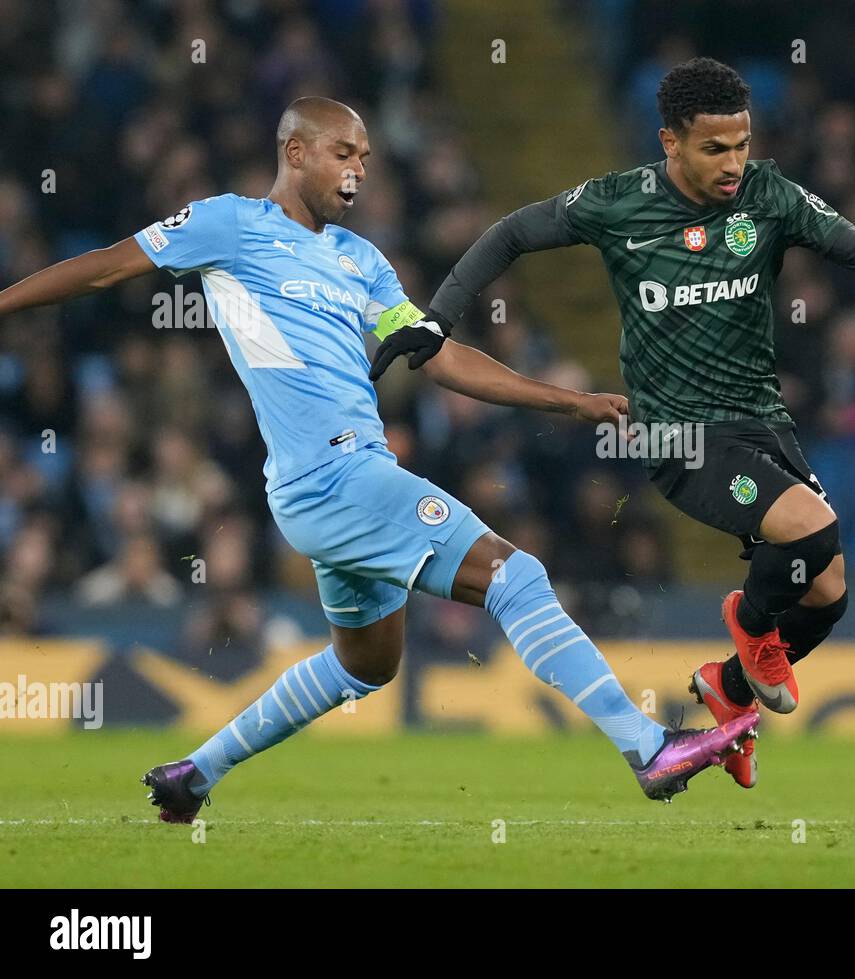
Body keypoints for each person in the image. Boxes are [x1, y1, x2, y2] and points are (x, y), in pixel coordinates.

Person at [0, 97, 757, 819]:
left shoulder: (363, 261)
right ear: (295, 154)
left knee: (365, 664)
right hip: (334, 477)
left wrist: (571, 401)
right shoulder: (229, 224)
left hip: (335, 485)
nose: (358, 170)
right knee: (514, 575)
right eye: (341, 153)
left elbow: (439, 355)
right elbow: (104, 265)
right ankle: (647, 745)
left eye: (365, 156)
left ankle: (195, 772)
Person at [380, 58, 855, 788]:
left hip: (761, 423)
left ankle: (728, 687)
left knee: (828, 592)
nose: (733, 163)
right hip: (679, 433)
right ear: (670, 142)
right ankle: (749, 626)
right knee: (811, 532)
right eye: (715, 148)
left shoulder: (768, 195)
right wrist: (436, 320)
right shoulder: (618, 204)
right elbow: (509, 234)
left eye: (742, 144)